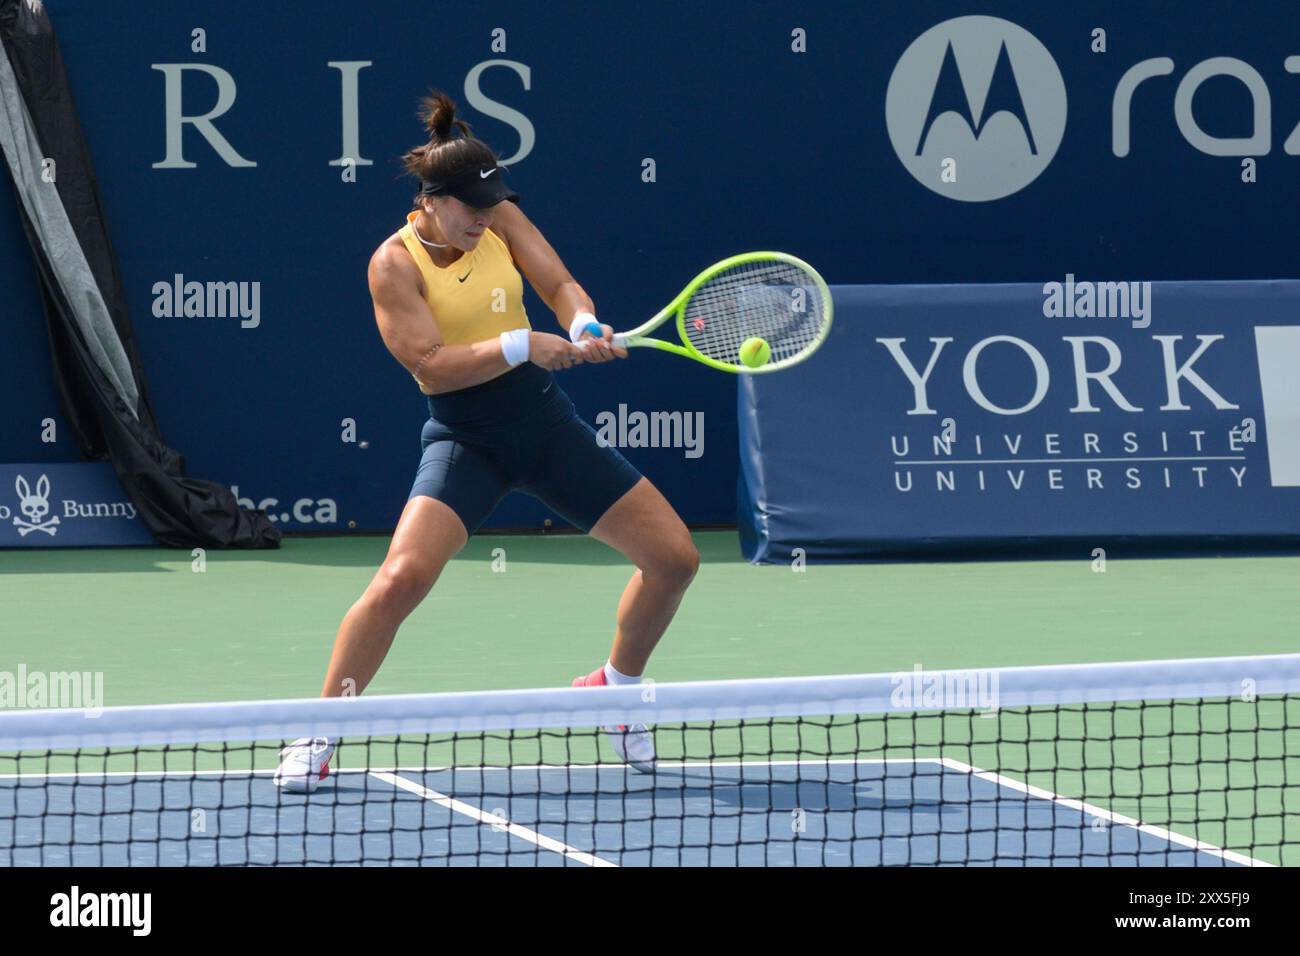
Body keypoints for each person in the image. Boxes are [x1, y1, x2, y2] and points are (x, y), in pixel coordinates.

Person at [273, 91, 700, 791]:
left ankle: (615, 692)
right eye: (470, 208)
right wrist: (520, 342)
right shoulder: (394, 265)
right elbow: (429, 363)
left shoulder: (495, 214)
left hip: (543, 425)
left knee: (675, 559)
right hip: (465, 437)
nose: (483, 216)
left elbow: (557, 282)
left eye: (490, 204)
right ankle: (320, 729)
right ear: (431, 201)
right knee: (401, 579)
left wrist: (583, 321)